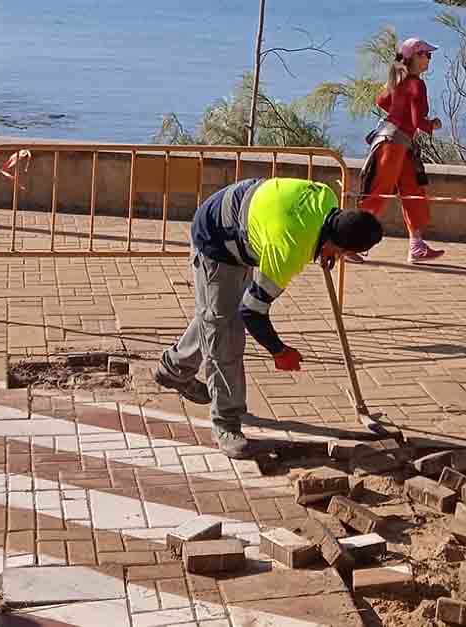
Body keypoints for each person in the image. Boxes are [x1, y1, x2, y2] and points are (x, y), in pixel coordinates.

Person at [153, 178, 384, 459]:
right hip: (216, 238)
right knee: (225, 333)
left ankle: (173, 369)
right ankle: (226, 424)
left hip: (242, 222)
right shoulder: (287, 248)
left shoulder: (326, 197)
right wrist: (279, 351)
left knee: (216, 317)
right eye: (346, 253)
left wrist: (327, 250)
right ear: (339, 243)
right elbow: (252, 312)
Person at [355, 37, 445, 265]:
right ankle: (348, 242)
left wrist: (400, 113)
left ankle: (416, 245)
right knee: (379, 193)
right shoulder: (416, 84)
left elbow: (382, 101)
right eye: (426, 54)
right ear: (414, 57)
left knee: (412, 190)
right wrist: (432, 124)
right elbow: (417, 120)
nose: (429, 59)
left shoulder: (399, 80)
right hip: (394, 144)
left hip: (398, 142)